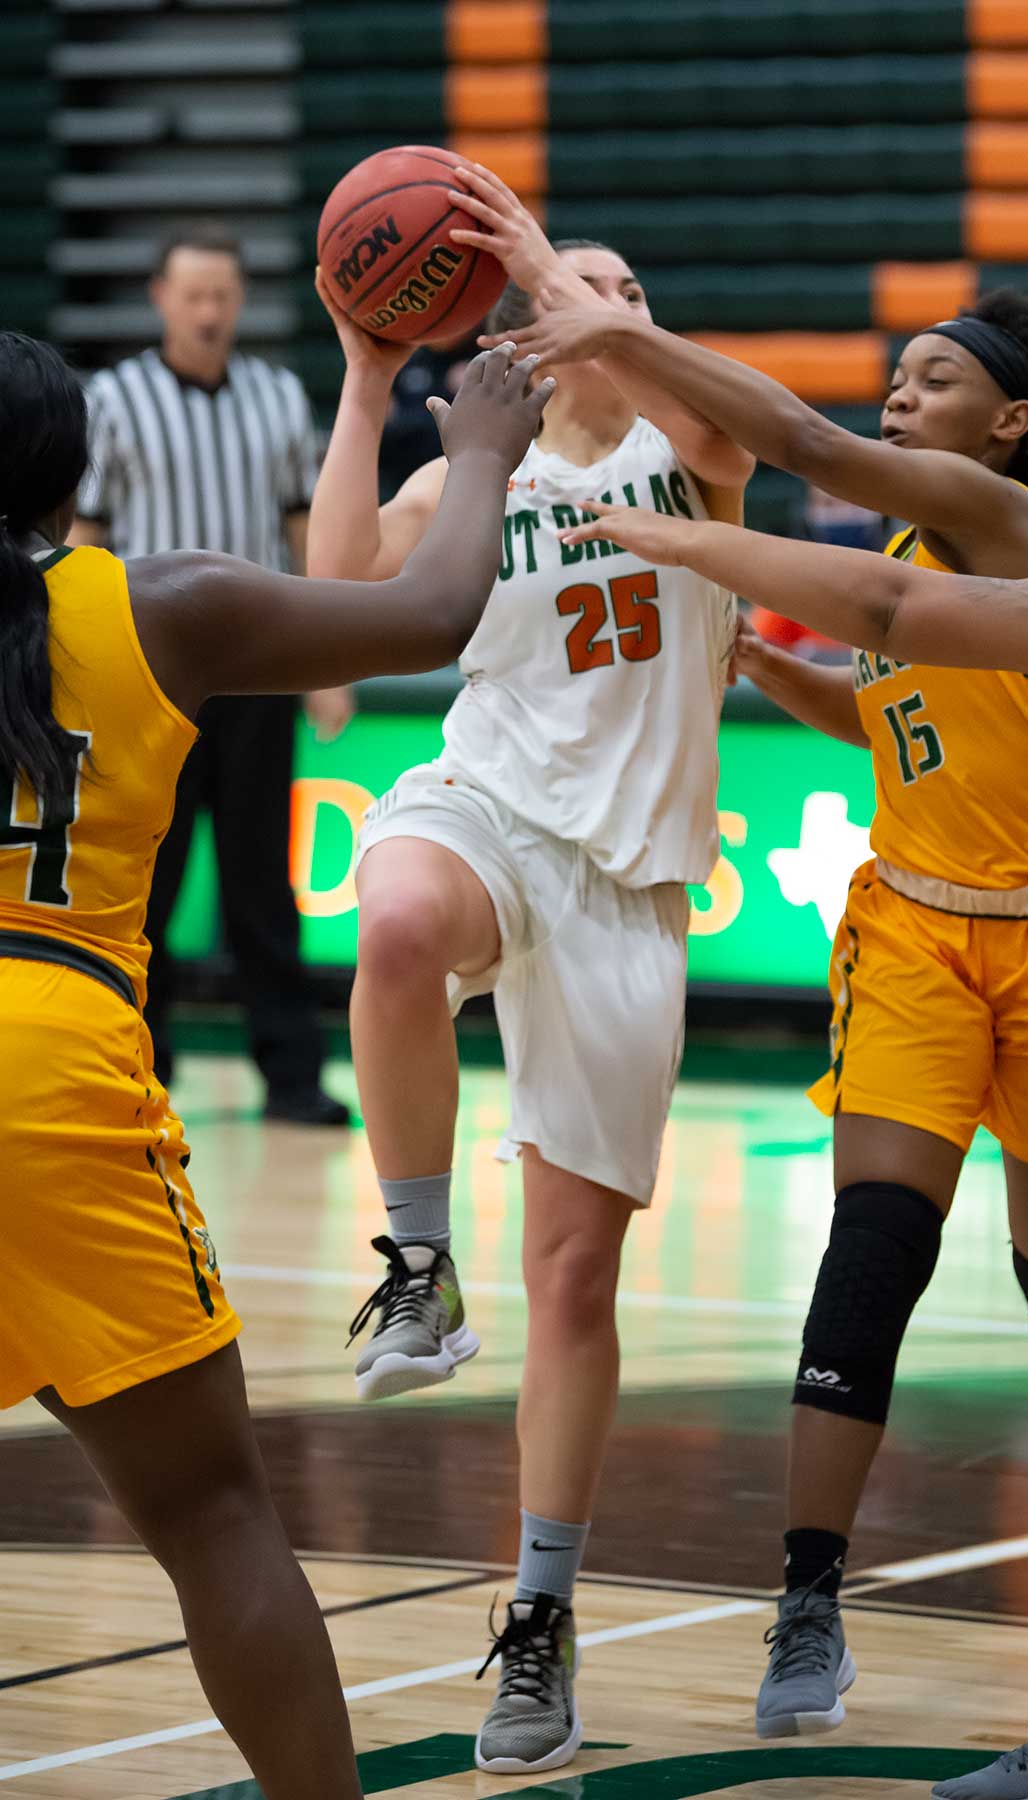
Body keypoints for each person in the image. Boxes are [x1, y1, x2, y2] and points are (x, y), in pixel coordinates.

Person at [499, 291, 1028, 1737]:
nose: (899, 395)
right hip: (920, 936)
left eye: (934, 379)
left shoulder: (1000, 520)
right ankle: (807, 1602)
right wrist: (764, 669)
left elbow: (801, 441)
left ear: (1008, 424)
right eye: (897, 377)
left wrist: (614, 343)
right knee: (874, 1251)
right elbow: (893, 709)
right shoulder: (913, 547)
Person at [0, 328, 551, 1798]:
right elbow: (431, 609)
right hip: (50, 1059)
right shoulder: (158, 602)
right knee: (212, 1516)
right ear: (72, 480)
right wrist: (480, 449)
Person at [307, 160, 753, 1774]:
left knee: (575, 1282)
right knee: (395, 922)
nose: (603, 305)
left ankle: (541, 1624)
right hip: (489, 806)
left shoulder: (689, 454)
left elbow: (712, 420)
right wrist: (369, 380)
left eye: (627, 292)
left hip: (627, 886)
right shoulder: (476, 473)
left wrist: (556, 270)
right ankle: (419, 1267)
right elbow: (339, 604)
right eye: (582, 288)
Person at [69, 226, 354, 1123]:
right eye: (193, 295)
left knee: (263, 878)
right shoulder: (113, 399)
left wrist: (329, 663)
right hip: (148, 673)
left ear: (241, 301)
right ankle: (134, 1066)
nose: (208, 311)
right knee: (143, 880)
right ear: (160, 298)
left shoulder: (277, 396)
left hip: (257, 671)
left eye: (222, 295)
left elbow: (305, 529)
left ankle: (292, 1076)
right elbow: (84, 536)